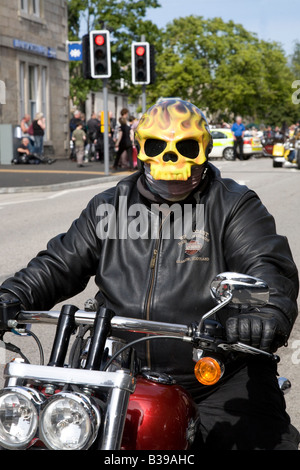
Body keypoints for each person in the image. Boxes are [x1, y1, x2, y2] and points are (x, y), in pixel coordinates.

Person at [0, 98, 299, 450]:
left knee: (259, 440)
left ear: (203, 151)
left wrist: (264, 312)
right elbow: (59, 263)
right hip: (119, 370)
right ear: (142, 151)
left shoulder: (233, 204)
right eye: (158, 147)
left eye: (185, 149)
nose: (172, 165)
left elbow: (266, 266)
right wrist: (11, 295)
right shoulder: (109, 205)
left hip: (216, 372)